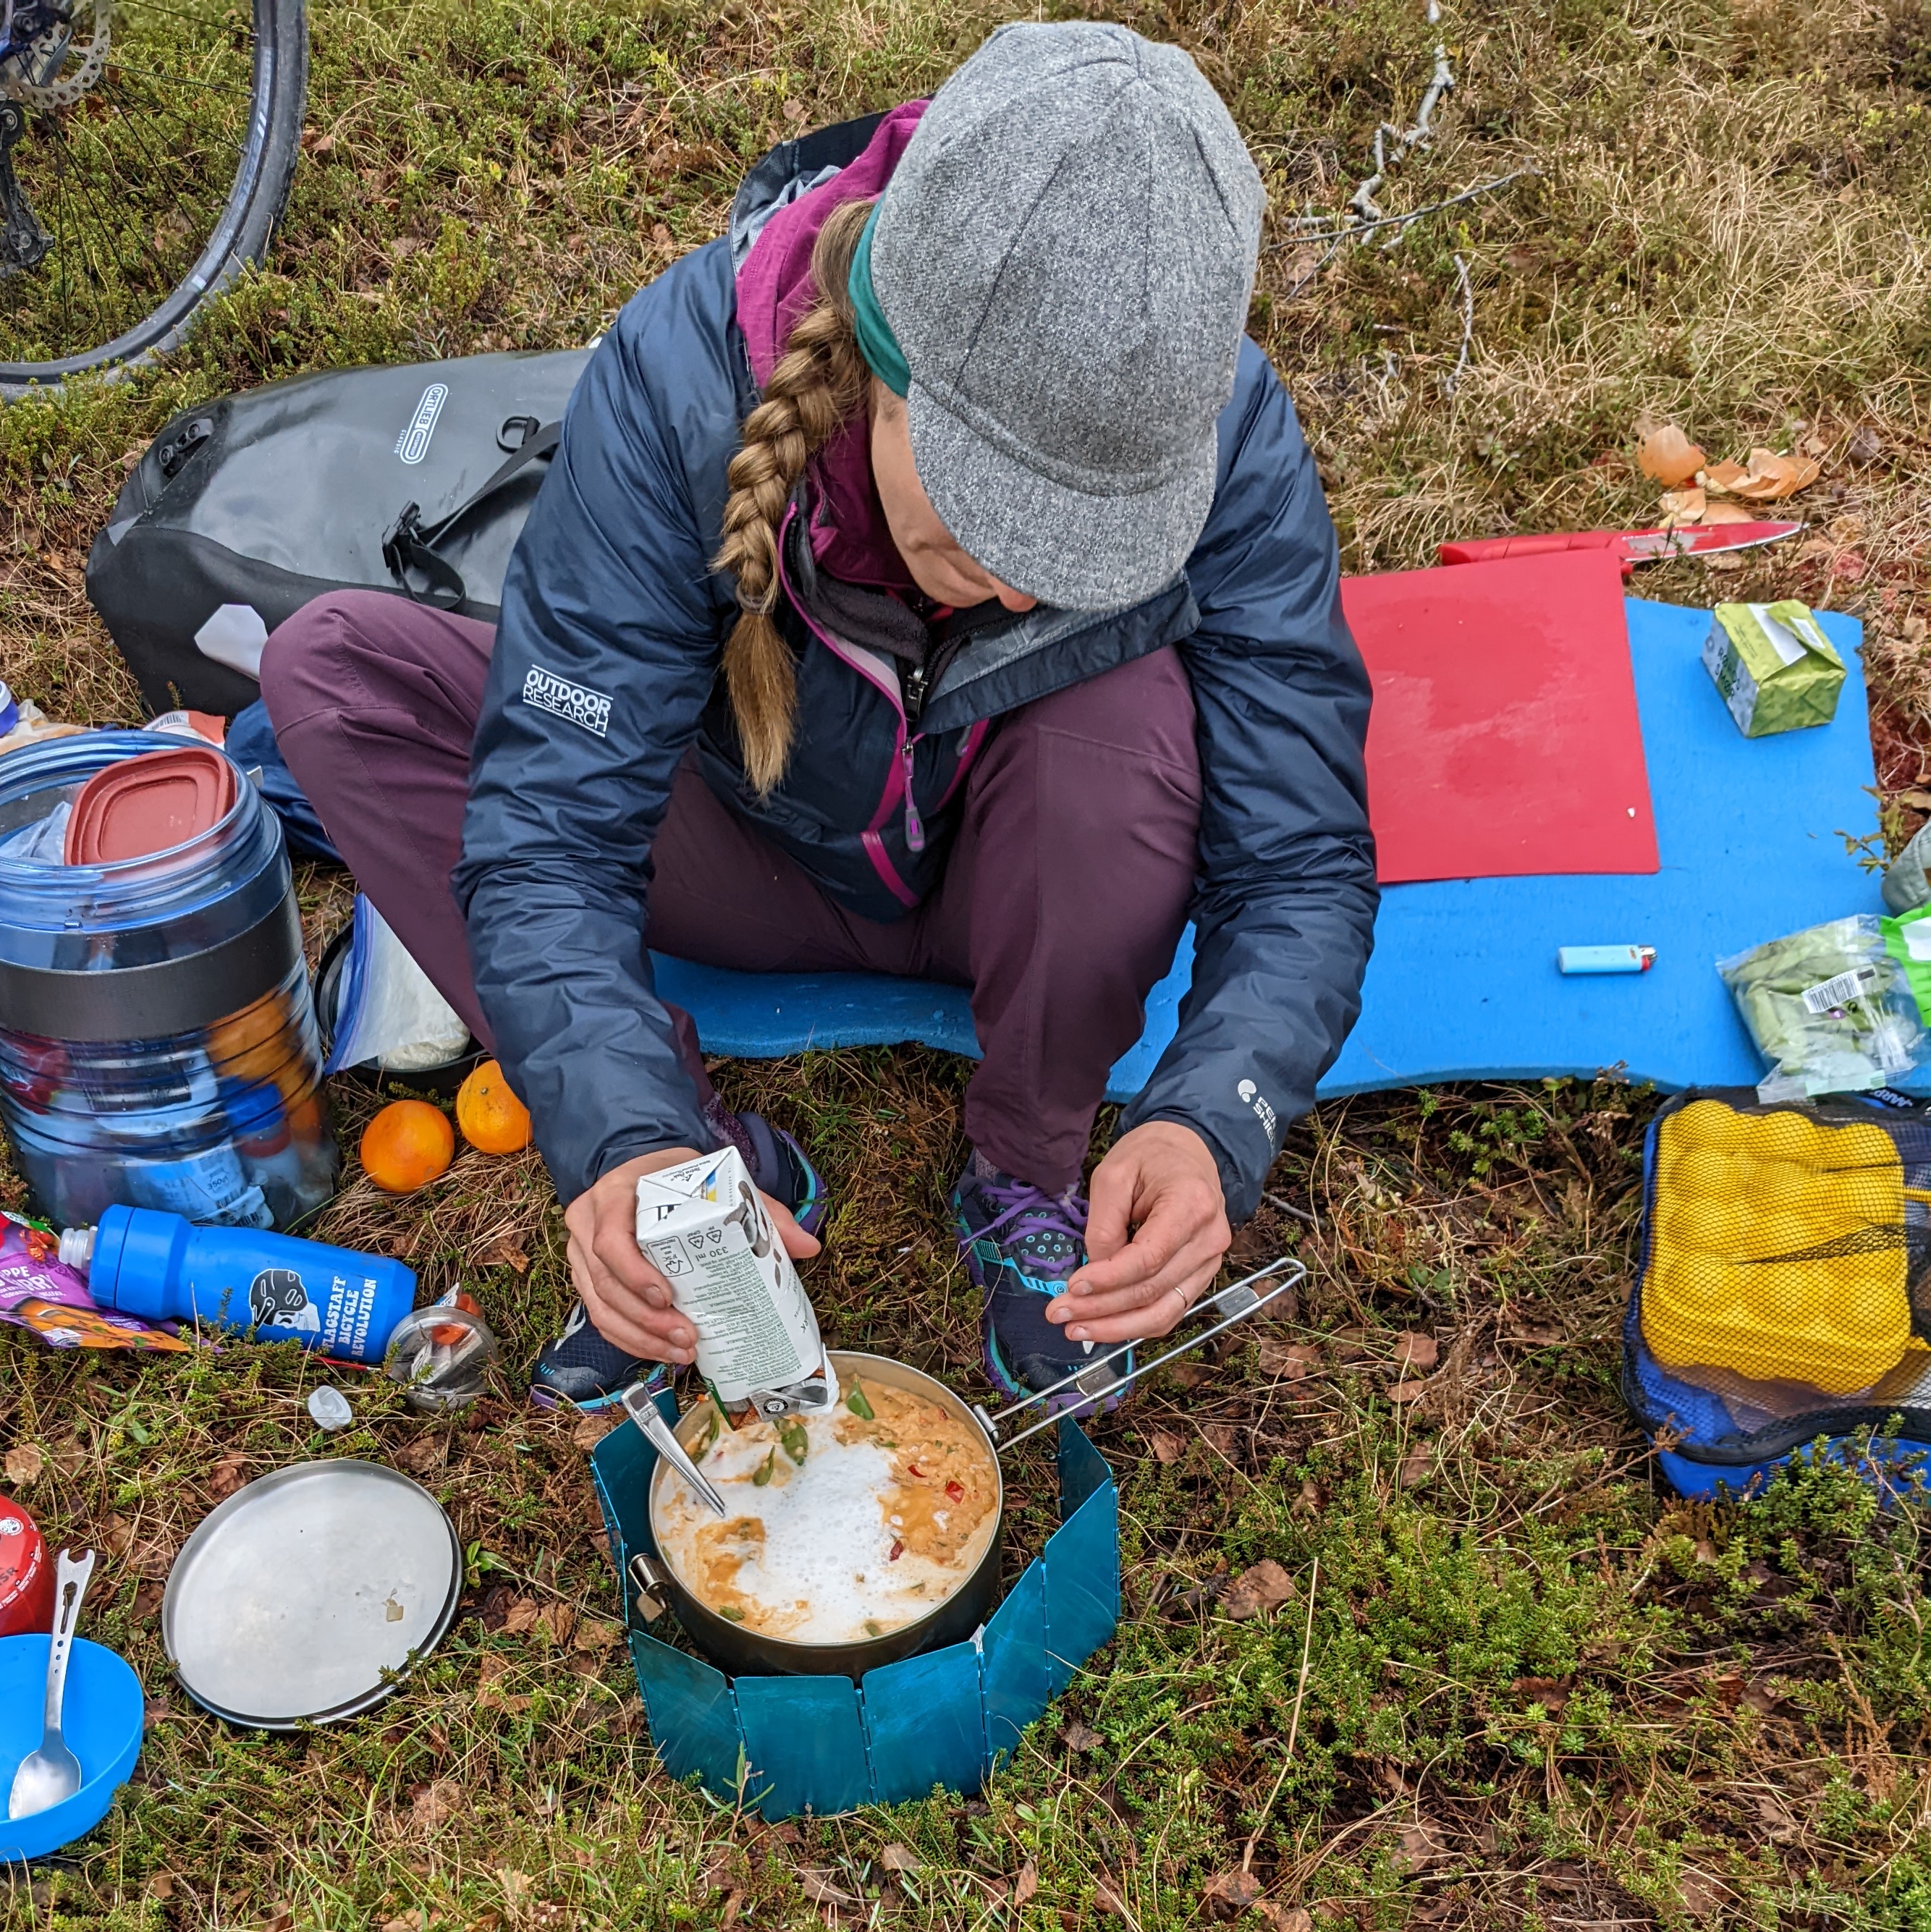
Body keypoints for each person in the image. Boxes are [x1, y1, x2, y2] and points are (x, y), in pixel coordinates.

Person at [262, 19, 1376, 1416]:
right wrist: (621, 1137)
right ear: (879, 368)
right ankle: (705, 1181)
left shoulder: (1232, 435)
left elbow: (1303, 856)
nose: (1028, 586)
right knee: (334, 667)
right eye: (987, 520)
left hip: (1040, 885)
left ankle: (1029, 1170)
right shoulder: (684, 383)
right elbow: (550, 825)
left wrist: (1218, 1117)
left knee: (1125, 699)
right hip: (759, 847)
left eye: (1093, 549)